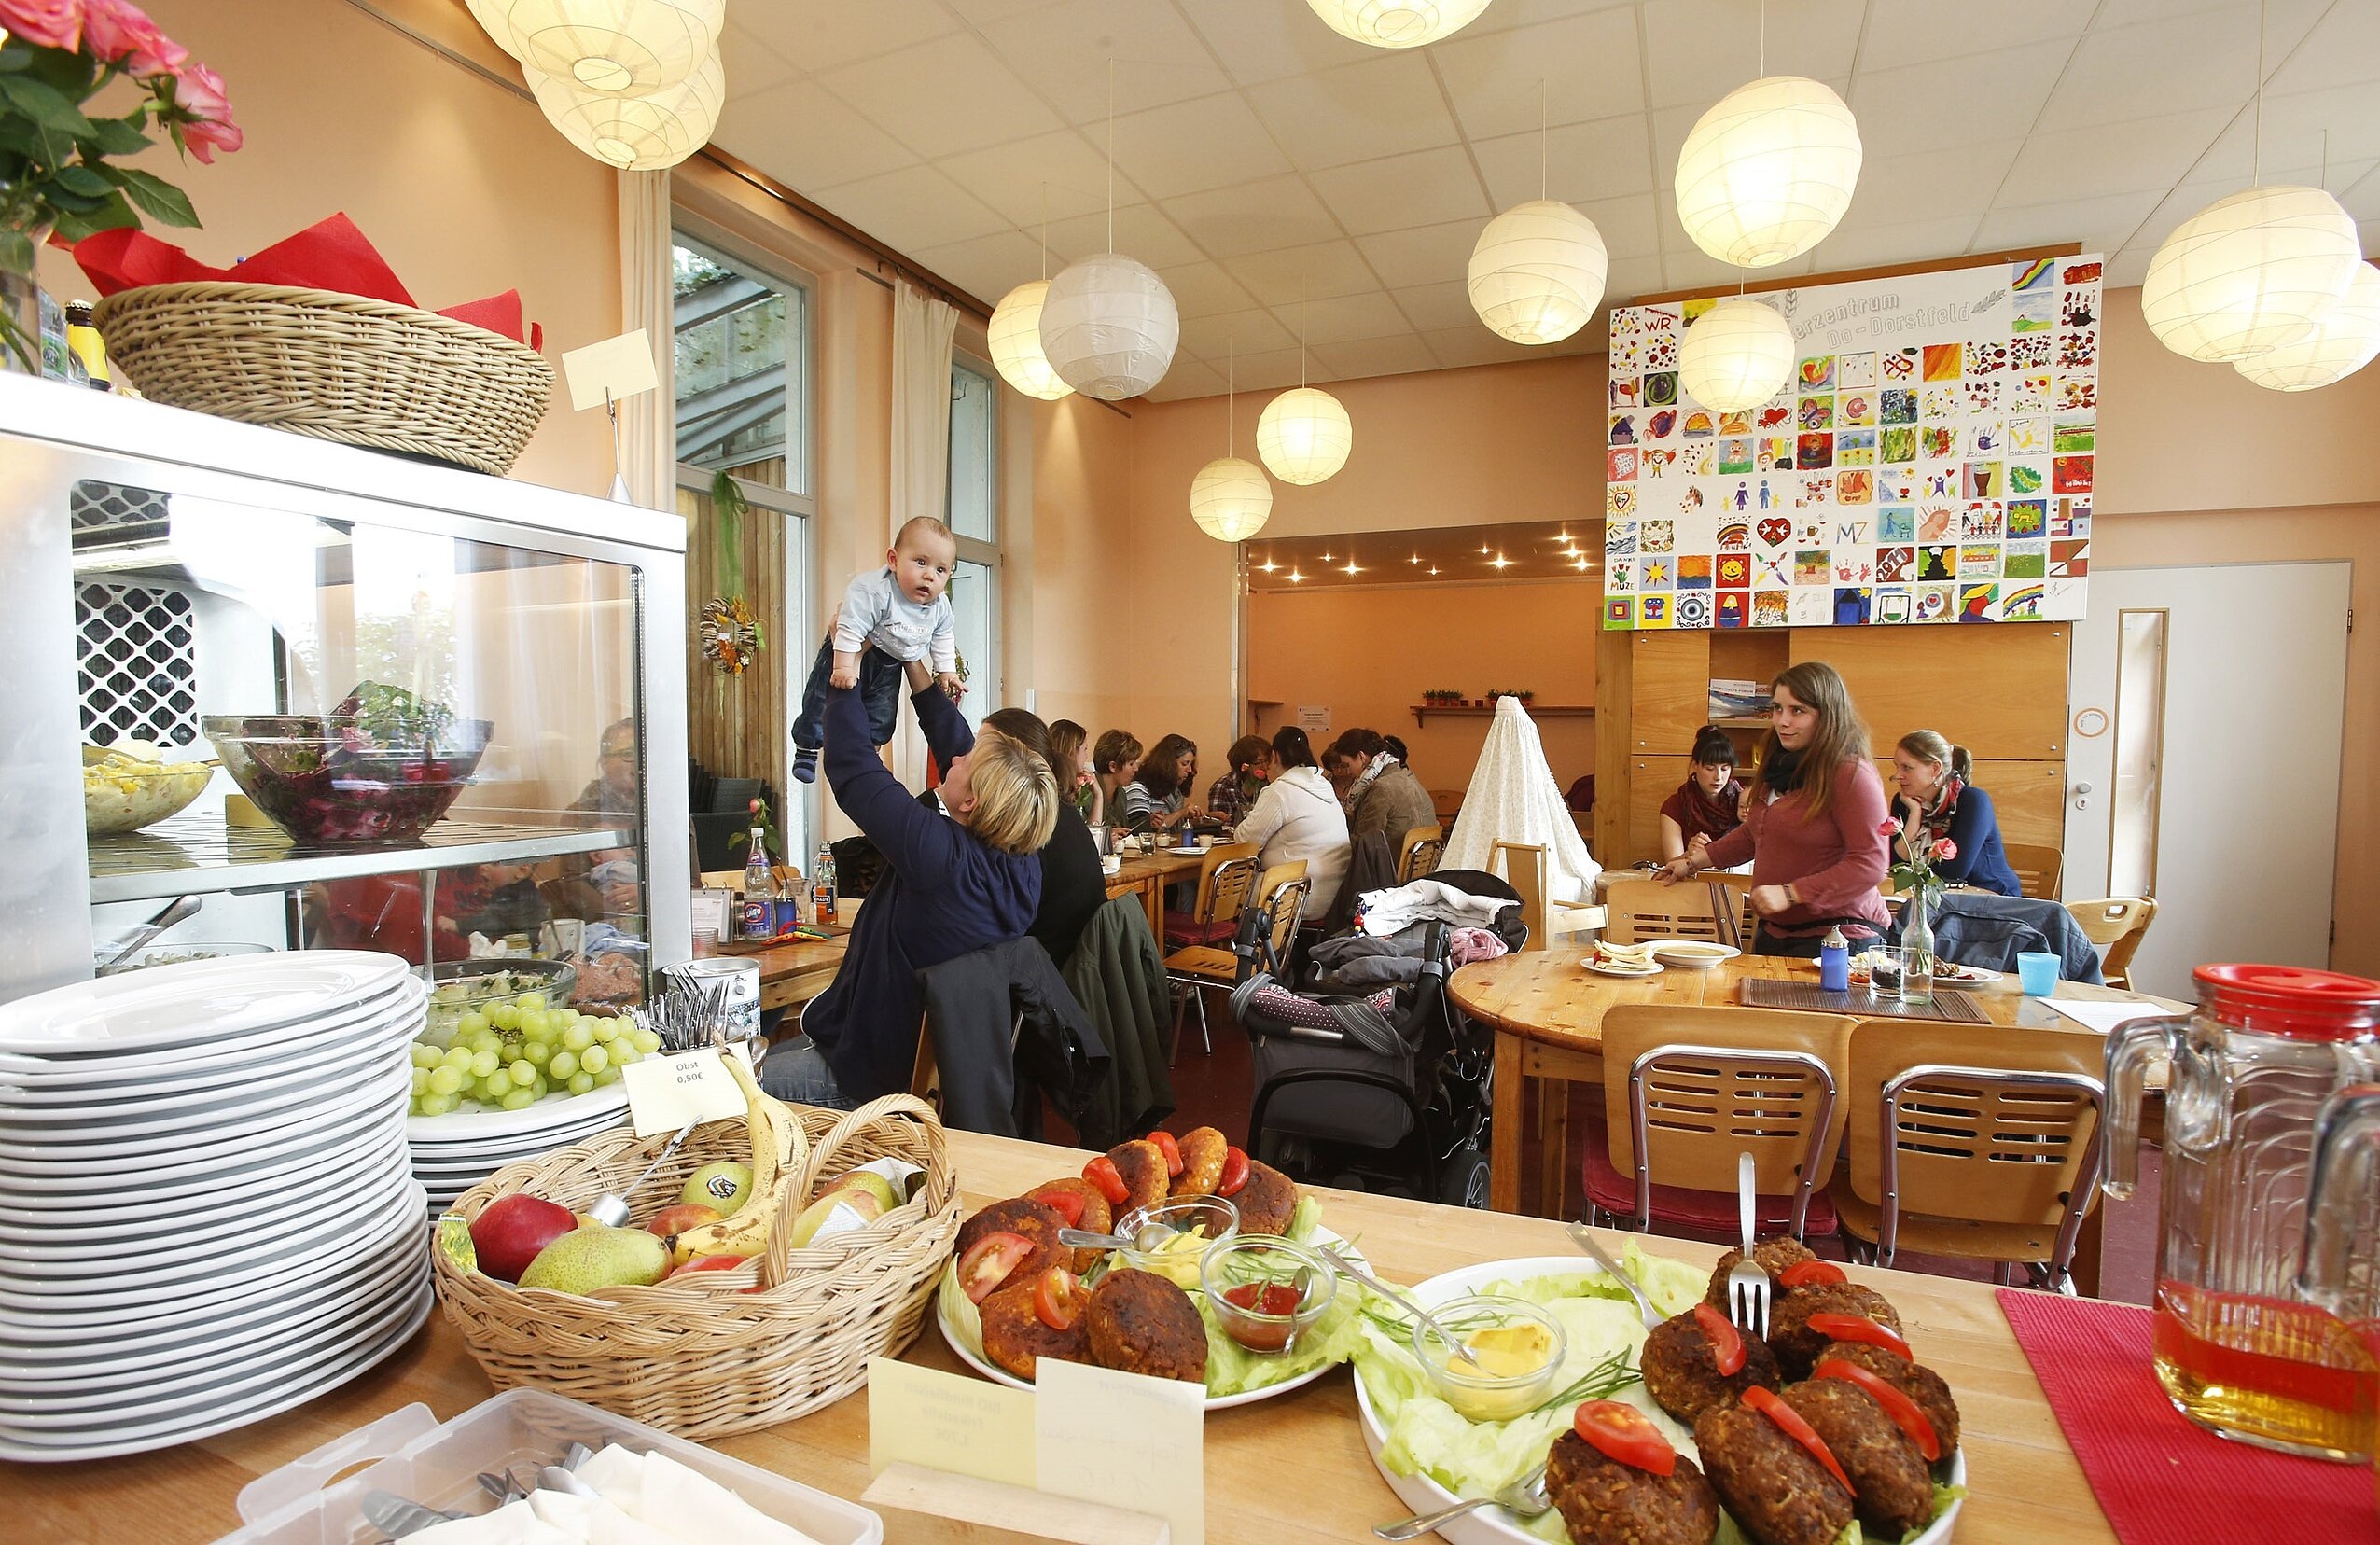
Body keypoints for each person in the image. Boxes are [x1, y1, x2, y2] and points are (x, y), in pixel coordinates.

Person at [765, 655, 1059, 1109]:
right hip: (915, 1063)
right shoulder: (1021, 861)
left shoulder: (941, 861)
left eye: (964, 763)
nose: (954, 757)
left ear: (972, 801)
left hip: (864, 1080)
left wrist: (844, 666)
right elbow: (958, 747)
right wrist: (915, 665)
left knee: (717, 1090)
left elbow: (852, 769)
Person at [1660, 661, 1890, 955]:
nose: (1782, 721)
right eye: (1778, 709)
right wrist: (1691, 863)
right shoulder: (1780, 763)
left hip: (1839, 937)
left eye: (1797, 711)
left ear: (1828, 716)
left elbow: (1870, 864)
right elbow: (1755, 833)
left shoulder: (1851, 773)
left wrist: (1792, 894)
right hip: (1776, 933)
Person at [791, 516, 964, 785]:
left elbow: (943, 635)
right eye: (920, 563)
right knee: (821, 695)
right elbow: (848, 625)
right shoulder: (875, 590)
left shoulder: (938, 605)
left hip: (891, 662)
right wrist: (844, 665)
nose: (929, 575)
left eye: (941, 570)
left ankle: (870, 751)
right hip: (852, 648)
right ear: (893, 560)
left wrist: (947, 671)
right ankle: (807, 747)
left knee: (882, 713)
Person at [986, 707, 1107, 967]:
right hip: (1080, 968)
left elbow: (1002, 919)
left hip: (1046, 972)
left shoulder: (1029, 819)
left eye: (983, 750)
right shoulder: (1059, 806)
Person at [1231, 726, 1350, 916]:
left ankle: (1230, 945)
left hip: (1293, 893)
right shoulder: (1323, 786)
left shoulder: (1280, 791)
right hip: (1334, 894)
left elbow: (1245, 842)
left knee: (1224, 891)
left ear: (1275, 756)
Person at [1892, 730, 2023, 896]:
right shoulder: (1904, 802)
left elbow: (1953, 872)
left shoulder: (1973, 801)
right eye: (1896, 767)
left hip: (1992, 900)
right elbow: (1895, 870)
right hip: (1937, 900)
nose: (1897, 776)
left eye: (1907, 768)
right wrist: (1915, 816)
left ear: (1935, 769)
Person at [1325, 727, 1436, 845]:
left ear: (1361, 757)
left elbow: (1365, 842)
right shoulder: (1405, 776)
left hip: (1389, 860)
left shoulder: (1381, 787)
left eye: (1347, 764)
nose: (1348, 771)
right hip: (1410, 859)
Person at [1660, 726, 1746, 863]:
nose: (1718, 776)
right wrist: (1689, 853)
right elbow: (1671, 865)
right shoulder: (1675, 806)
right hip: (1692, 881)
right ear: (1695, 765)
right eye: (1710, 768)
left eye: (1725, 768)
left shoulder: (1744, 800)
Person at [1119, 733, 1199, 836]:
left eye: (1191, 764)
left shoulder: (1175, 794)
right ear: (1168, 764)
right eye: (1184, 764)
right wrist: (1179, 814)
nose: (1190, 770)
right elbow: (1138, 831)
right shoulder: (1138, 789)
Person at [1206, 734, 1272, 826]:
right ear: (1244, 764)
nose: (1264, 767)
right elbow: (1218, 830)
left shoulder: (1266, 786)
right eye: (1259, 762)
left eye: (1266, 761)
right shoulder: (1223, 787)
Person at [1091, 729, 1142, 841]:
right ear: (1113, 766)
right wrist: (1107, 833)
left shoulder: (1121, 794)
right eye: (1131, 763)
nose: (1136, 769)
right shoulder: (1087, 791)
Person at [1050, 718, 1099, 828]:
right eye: (1085, 749)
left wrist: (1098, 796)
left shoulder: (1067, 786)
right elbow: (1086, 839)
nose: (1086, 756)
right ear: (1072, 752)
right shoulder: (1058, 794)